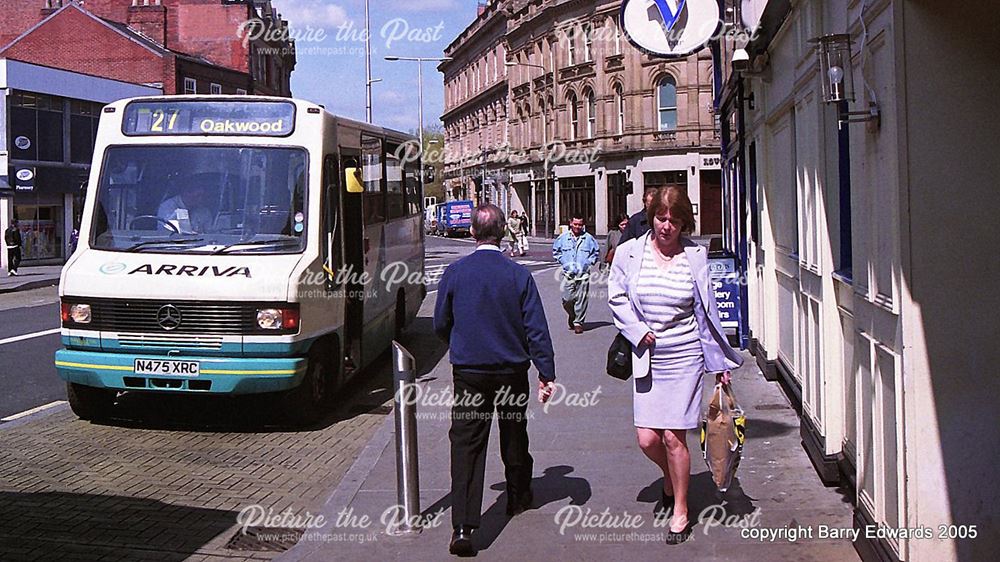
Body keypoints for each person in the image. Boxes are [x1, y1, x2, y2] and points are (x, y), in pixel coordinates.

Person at [608, 186, 744, 545]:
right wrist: (637, 331)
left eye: (674, 220)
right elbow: (616, 295)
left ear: (685, 222)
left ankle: (681, 510)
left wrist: (719, 363)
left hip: (685, 356)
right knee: (647, 438)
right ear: (651, 217)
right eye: (660, 218)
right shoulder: (629, 253)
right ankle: (670, 478)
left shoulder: (695, 256)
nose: (666, 226)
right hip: (647, 355)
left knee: (673, 436)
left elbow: (707, 314)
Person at [433, 204, 556, 556]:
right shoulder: (518, 276)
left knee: (467, 444)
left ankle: (463, 526)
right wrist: (545, 372)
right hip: (511, 370)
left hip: (470, 372)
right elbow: (536, 329)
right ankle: (518, 495)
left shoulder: (455, 273)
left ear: (472, 232)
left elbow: (440, 322)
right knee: (514, 431)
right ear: (502, 233)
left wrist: (461, 343)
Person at [552, 215, 599, 334]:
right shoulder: (563, 238)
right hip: (568, 273)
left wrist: (588, 263)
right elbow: (556, 252)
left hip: (583, 273)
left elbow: (596, 252)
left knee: (582, 298)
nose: (577, 227)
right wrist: (564, 262)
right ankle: (572, 315)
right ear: (571, 223)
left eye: (580, 225)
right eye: (575, 224)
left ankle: (578, 322)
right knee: (567, 299)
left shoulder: (588, 238)